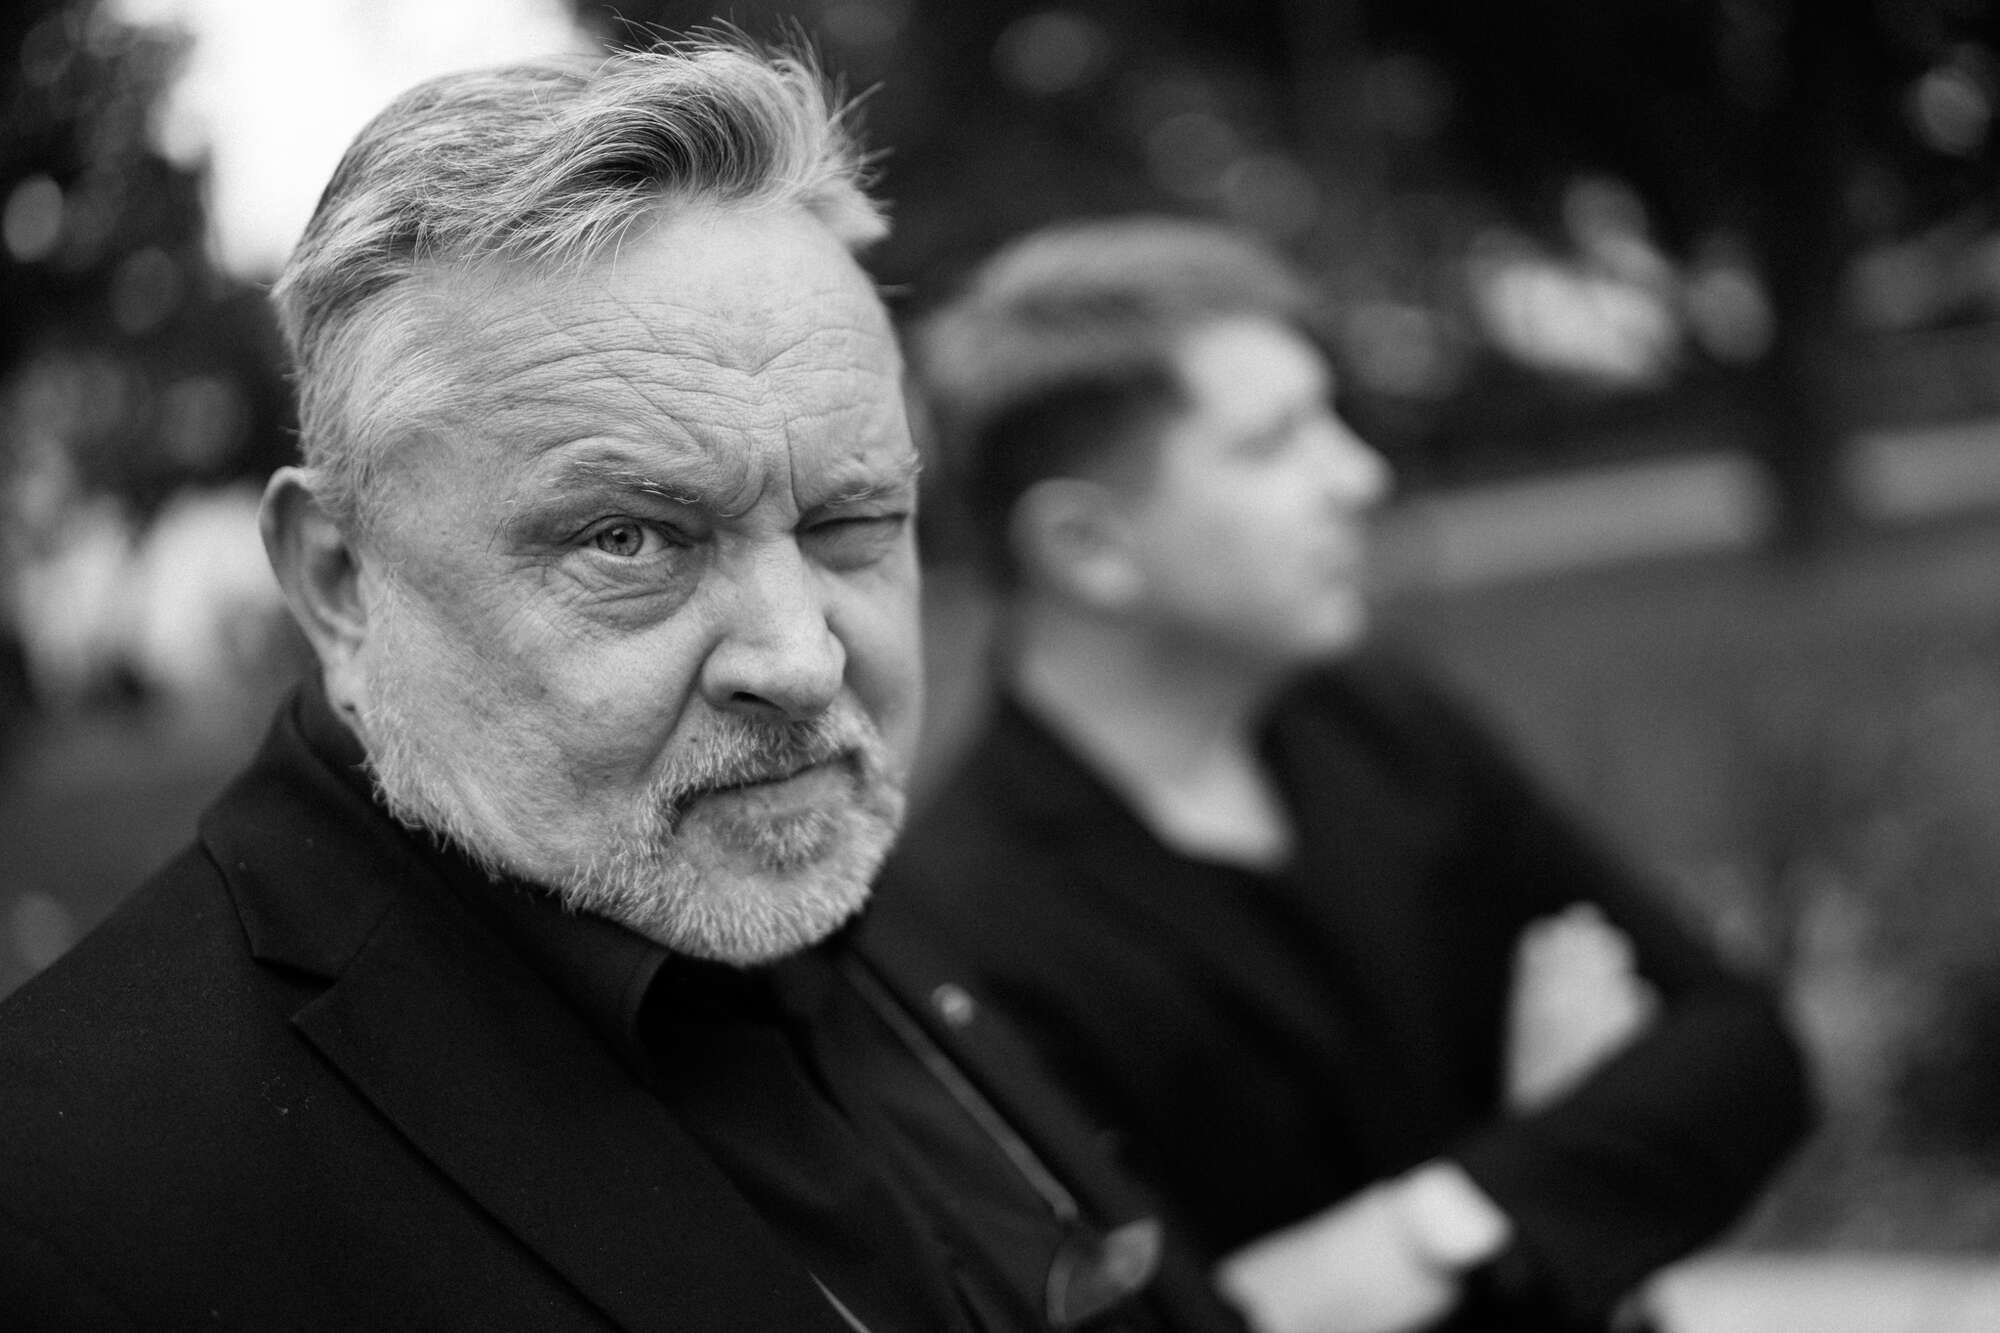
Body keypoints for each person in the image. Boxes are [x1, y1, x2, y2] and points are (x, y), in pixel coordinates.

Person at [0, 45, 1253, 1333]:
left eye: (852, 522)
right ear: (338, 581)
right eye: (629, 539)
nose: (802, 661)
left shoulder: (814, 879)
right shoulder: (71, 1214)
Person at [877, 216, 1814, 1333]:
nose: (1360, 477)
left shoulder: (1374, 720)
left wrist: (1436, 1224)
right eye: (1275, 442)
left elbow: (1743, 1050)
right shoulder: (965, 933)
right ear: (1088, 546)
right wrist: (1571, 1159)